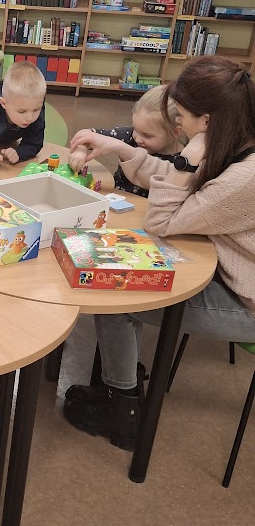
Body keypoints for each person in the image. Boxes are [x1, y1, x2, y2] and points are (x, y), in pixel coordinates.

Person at [62, 56, 255, 451]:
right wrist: (120, 148)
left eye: (181, 114)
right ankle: (119, 381)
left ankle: (125, 410)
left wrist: (186, 159)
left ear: (207, 120)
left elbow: (163, 218)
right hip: (226, 271)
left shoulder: (244, 177)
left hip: (245, 301)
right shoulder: (233, 142)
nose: (177, 122)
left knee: (118, 299)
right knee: (122, 285)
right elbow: (174, 181)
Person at [68, 84, 184, 196]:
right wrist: (80, 150)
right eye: (136, 129)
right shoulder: (129, 135)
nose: (137, 138)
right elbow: (86, 134)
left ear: (175, 133)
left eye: (147, 135)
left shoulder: (184, 160)